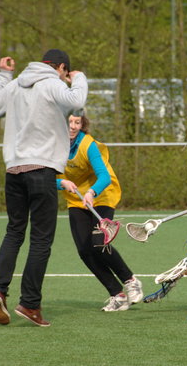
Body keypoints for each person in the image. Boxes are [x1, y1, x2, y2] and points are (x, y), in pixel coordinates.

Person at [0, 49, 88, 326]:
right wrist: (78, 78)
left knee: (14, 232)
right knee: (41, 240)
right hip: (42, 170)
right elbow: (78, 102)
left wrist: (3, 75)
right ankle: (30, 305)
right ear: (61, 67)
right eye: (66, 72)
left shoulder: (15, 84)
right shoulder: (53, 83)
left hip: (14, 170)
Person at [57, 113, 143, 311]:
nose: (72, 126)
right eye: (69, 122)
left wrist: (91, 191)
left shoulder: (88, 145)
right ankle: (117, 295)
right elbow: (43, 177)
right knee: (84, 251)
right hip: (76, 200)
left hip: (102, 195)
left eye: (77, 122)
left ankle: (130, 280)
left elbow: (104, 176)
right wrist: (60, 182)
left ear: (82, 124)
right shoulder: (53, 145)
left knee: (98, 243)